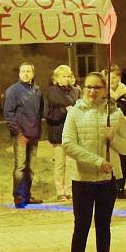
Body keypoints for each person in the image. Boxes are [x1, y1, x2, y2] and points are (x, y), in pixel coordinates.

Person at [58, 72, 126, 252]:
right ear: (82, 88)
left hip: (106, 182)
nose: (92, 91)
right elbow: (68, 144)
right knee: (81, 227)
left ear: (104, 90)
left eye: (97, 87)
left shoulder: (115, 114)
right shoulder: (75, 114)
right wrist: (97, 161)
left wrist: (114, 138)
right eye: (88, 87)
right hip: (83, 178)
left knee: (103, 227)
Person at [4, 61, 44, 206]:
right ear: (19, 74)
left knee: (31, 168)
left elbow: (40, 112)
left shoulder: (38, 91)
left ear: (33, 74)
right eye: (23, 71)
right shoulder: (13, 91)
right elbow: (8, 113)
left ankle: (27, 195)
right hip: (20, 136)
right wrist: (18, 132)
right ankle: (18, 196)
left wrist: (38, 130)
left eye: (29, 71)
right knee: (20, 167)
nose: (26, 74)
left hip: (34, 135)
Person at [45, 65, 79, 202]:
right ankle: (60, 191)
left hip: (72, 133)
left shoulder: (75, 91)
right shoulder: (51, 92)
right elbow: (48, 114)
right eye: (63, 76)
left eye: (67, 76)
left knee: (72, 164)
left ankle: (70, 190)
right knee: (60, 164)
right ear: (57, 78)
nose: (66, 79)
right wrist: (65, 111)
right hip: (58, 132)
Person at [102, 64, 126, 198]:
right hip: (108, 126)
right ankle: (111, 185)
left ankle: (121, 187)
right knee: (110, 157)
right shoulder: (104, 92)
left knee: (123, 157)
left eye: (115, 77)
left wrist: (125, 114)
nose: (113, 80)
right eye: (110, 77)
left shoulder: (124, 91)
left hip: (122, 126)